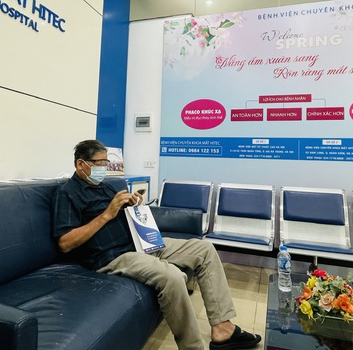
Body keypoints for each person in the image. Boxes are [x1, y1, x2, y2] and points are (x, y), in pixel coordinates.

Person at [52, 139, 261, 350]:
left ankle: (223, 328)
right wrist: (107, 214)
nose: (104, 168)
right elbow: (65, 242)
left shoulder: (105, 187)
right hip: (113, 257)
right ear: (81, 164)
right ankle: (192, 347)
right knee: (173, 277)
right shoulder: (67, 193)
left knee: (205, 250)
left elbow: (124, 216)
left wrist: (134, 205)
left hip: (139, 244)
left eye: (106, 163)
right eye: (100, 163)